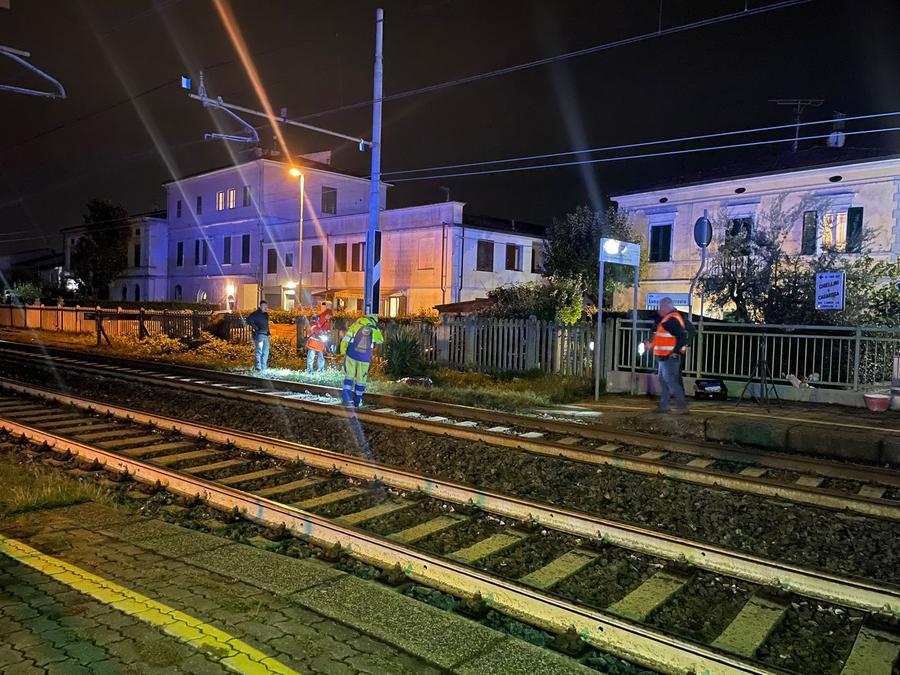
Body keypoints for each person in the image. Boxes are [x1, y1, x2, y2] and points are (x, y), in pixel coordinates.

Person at [645, 297, 689, 414]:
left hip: (670, 357)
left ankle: (682, 407)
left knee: (671, 382)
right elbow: (661, 338)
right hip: (664, 357)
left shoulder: (671, 320)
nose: (659, 309)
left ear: (667, 306)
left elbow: (683, 336)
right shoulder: (666, 319)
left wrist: (674, 351)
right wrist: (651, 345)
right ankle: (664, 406)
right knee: (664, 381)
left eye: (661, 307)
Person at [340, 314, 384, 407]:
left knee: (349, 377)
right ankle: (357, 401)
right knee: (361, 380)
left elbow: (345, 340)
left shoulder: (355, 327)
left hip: (351, 355)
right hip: (364, 358)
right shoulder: (375, 330)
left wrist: (343, 352)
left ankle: (346, 399)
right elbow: (380, 341)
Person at [306, 301, 333, 374]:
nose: (329, 317)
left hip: (320, 340)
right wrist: (318, 331)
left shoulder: (327, 320)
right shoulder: (318, 317)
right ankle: (309, 371)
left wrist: (326, 333)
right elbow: (313, 325)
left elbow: (326, 328)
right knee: (312, 356)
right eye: (329, 315)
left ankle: (320, 370)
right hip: (314, 339)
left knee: (320, 356)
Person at [246, 300, 271, 370]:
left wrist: (269, 333)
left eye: (266, 306)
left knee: (266, 352)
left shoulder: (266, 315)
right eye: (263, 306)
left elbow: (267, 325)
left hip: (266, 335)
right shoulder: (255, 314)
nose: (265, 307)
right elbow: (248, 320)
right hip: (259, 335)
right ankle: (258, 366)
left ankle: (264, 366)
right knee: (259, 351)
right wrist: (256, 328)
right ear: (260, 306)